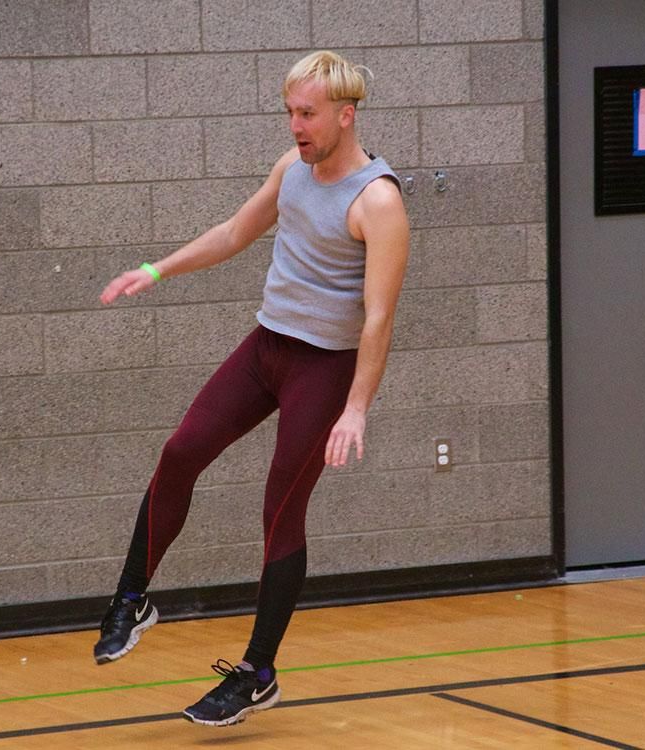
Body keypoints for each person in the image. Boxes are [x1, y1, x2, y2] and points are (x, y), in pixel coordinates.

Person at [94, 50, 410, 727]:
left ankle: (257, 672)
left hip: (323, 368)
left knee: (278, 509)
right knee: (181, 451)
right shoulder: (290, 171)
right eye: (289, 112)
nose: (295, 125)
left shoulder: (378, 201)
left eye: (307, 113)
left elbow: (380, 317)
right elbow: (236, 232)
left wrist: (356, 408)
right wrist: (157, 269)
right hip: (267, 348)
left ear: (345, 114)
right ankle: (132, 598)